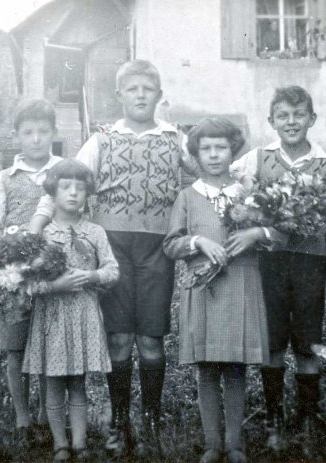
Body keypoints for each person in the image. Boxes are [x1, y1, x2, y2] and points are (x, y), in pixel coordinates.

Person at [29, 59, 198, 457]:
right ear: (119, 95)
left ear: (159, 95)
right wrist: (34, 228)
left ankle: (152, 419)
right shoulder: (101, 139)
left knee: (151, 340)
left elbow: (207, 179)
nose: (140, 96)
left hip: (158, 247)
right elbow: (62, 182)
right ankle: (120, 421)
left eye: (148, 89)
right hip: (112, 246)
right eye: (132, 89)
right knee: (120, 338)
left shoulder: (175, 140)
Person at [230, 86, 326, 454]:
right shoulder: (257, 158)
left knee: (307, 340)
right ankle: (273, 415)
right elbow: (236, 193)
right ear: (272, 121)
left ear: (312, 119)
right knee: (272, 339)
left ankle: (308, 415)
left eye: (299, 115)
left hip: (310, 262)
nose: (291, 122)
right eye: (283, 115)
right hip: (269, 261)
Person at [163, 117, 286, 463]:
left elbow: (281, 234)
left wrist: (256, 234)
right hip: (203, 287)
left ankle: (234, 444)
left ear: (233, 150)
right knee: (206, 367)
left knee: (235, 366)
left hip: (241, 284)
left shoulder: (249, 192)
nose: (214, 155)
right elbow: (171, 245)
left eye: (221, 147)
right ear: (196, 155)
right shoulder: (187, 196)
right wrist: (198, 241)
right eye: (206, 149)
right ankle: (211, 444)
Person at [22, 159, 119, 462]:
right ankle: (60, 444)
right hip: (51, 316)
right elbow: (26, 284)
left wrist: (92, 277)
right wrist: (56, 286)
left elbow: (112, 270)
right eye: (66, 187)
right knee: (53, 383)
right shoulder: (41, 236)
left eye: (80, 188)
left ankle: (79, 443)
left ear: (88, 193)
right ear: (52, 192)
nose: (74, 194)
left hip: (83, 315)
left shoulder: (95, 232)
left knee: (77, 382)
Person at [0, 99, 62, 443]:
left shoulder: (63, 171)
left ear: (53, 134)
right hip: (14, 275)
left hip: (52, 272)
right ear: (17, 136)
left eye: (43, 132)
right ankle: (22, 416)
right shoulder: (6, 177)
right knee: (16, 348)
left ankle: (48, 412)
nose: (35, 139)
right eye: (28, 132)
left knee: (49, 345)